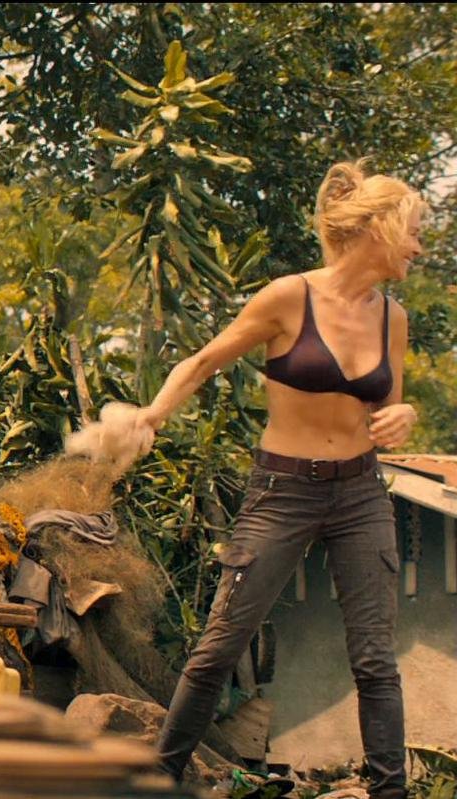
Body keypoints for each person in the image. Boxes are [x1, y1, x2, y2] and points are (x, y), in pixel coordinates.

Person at [133, 161, 423, 796]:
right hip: (282, 492)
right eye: (413, 232)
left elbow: (388, 409)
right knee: (220, 646)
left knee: (376, 660)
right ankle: (158, 781)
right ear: (377, 228)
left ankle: (390, 792)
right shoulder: (289, 297)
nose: (418, 247)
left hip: (360, 494)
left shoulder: (392, 318)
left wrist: (404, 416)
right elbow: (203, 362)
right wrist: (152, 415)